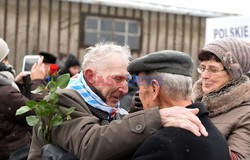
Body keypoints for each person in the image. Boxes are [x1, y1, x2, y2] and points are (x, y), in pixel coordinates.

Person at [28, 42, 208, 160]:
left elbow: (116, 141)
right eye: (117, 79)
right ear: (91, 76)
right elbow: (91, 145)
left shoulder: (108, 106)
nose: (124, 89)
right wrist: (154, 117)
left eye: (126, 80)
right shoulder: (61, 100)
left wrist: (140, 112)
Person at [127, 50, 230, 160]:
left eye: (140, 88)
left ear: (154, 89)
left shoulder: (160, 144)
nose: (139, 96)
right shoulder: (216, 135)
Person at [192, 37, 250, 160]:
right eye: (202, 68)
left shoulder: (246, 114)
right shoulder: (192, 102)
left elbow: (238, 158)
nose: (204, 75)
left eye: (213, 69)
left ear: (234, 75)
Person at [0, 38, 46, 160]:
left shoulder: (6, 91)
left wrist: (15, 84)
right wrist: (37, 81)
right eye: (5, 59)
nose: (8, 63)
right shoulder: (6, 94)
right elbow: (40, 112)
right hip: (14, 154)